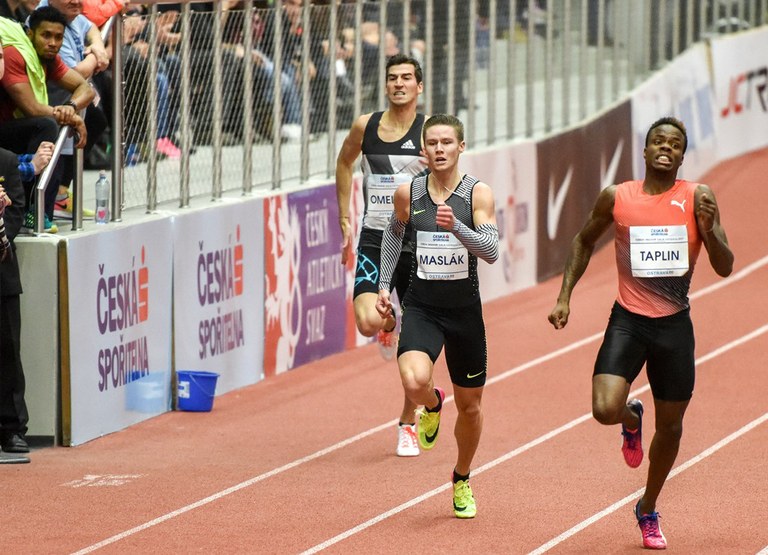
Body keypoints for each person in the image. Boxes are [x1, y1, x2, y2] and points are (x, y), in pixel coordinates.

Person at [547, 117, 734, 549]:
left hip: (673, 327)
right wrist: (564, 297)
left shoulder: (698, 197)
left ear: (682, 155)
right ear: (646, 150)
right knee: (602, 408)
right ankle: (631, 416)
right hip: (628, 320)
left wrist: (709, 233)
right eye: (657, 141)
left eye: (674, 144)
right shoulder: (618, 197)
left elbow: (725, 266)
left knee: (671, 430)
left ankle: (647, 507)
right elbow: (581, 241)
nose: (665, 148)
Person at [376, 114, 499, 518]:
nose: (440, 149)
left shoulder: (476, 194)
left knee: (472, 409)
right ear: (423, 150)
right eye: (432, 143)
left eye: (448, 142)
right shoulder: (408, 192)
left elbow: (491, 250)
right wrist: (382, 285)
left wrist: (458, 228)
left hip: (464, 313)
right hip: (423, 306)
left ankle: (461, 476)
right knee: (413, 380)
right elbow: (394, 233)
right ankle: (431, 405)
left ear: (461, 147)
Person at [336, 53, 426, 458]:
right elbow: (343, 162)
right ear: (386, 85)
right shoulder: (366, 126)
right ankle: (389, 320)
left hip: (419, 243)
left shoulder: (430, 133)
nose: (399, 84)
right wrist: (343, 217)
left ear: (418, 86)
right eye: (393, 78)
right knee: (368, 322)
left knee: (414, 352)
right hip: (375, 235)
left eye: (407, 78)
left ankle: (407, 423)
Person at [0, 7, 93, 226]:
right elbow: (31, 108)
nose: (52, 43)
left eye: (58, 37)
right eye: (46, 35)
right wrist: (70, 116)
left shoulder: (49, 58)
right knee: (47, 125)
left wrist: (70, 107)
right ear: (30, 34)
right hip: (4, 130)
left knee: (80, 122)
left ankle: (45, 208)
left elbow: (85, 88)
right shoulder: (15, 54)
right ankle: (31, 209)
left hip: (16, 131)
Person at [0, 146, 30, 460]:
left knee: (8, 350)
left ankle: (12, 428)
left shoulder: (7, 161)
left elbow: (16, 212)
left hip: (2, 274)